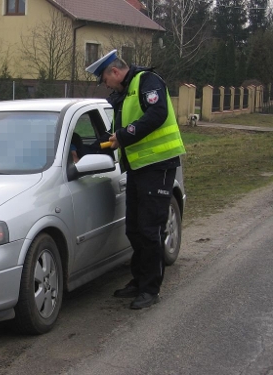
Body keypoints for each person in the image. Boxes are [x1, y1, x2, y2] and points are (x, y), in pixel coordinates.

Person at [86, 49, 186, 309]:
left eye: (105, 80)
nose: (105, 85)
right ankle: (139, 280)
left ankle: (151, 289)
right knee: (134, 228)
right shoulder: (123, 94)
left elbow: (157, 114)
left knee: (150, 230)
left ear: (115, 72)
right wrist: (83, 151)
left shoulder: (148, 82)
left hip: (158, 166)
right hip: (139, 168)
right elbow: (114, 135)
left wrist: (125, 135)